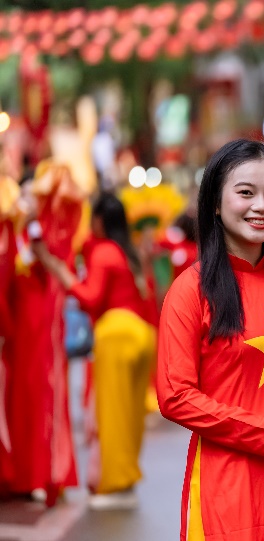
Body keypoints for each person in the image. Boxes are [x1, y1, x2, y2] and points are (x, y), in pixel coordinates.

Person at [157, 139, 264, 541]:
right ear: (215, 203)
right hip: (229, 481)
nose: (262, 206)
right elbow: (175, 396)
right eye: (245, 193)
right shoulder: (191, 290)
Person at [32, 192, 158, 509]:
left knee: (113, 415)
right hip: (143, 334)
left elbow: (91, 297)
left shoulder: (104, 252)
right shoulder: (129, 252)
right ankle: (125, 482)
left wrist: (60, 271)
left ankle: (115, 486)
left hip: (116, 333)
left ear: (99, 221)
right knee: (130, 418)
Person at [1, 163, 82, 506]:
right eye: (25, 194)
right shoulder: (11, 235)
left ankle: (40, 473)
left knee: (40, 400)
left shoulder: (45, 236)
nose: (28, 201)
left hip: (41, 335)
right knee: (16, 404)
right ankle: (18, 474)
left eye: (35, 195)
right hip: (15, 334)